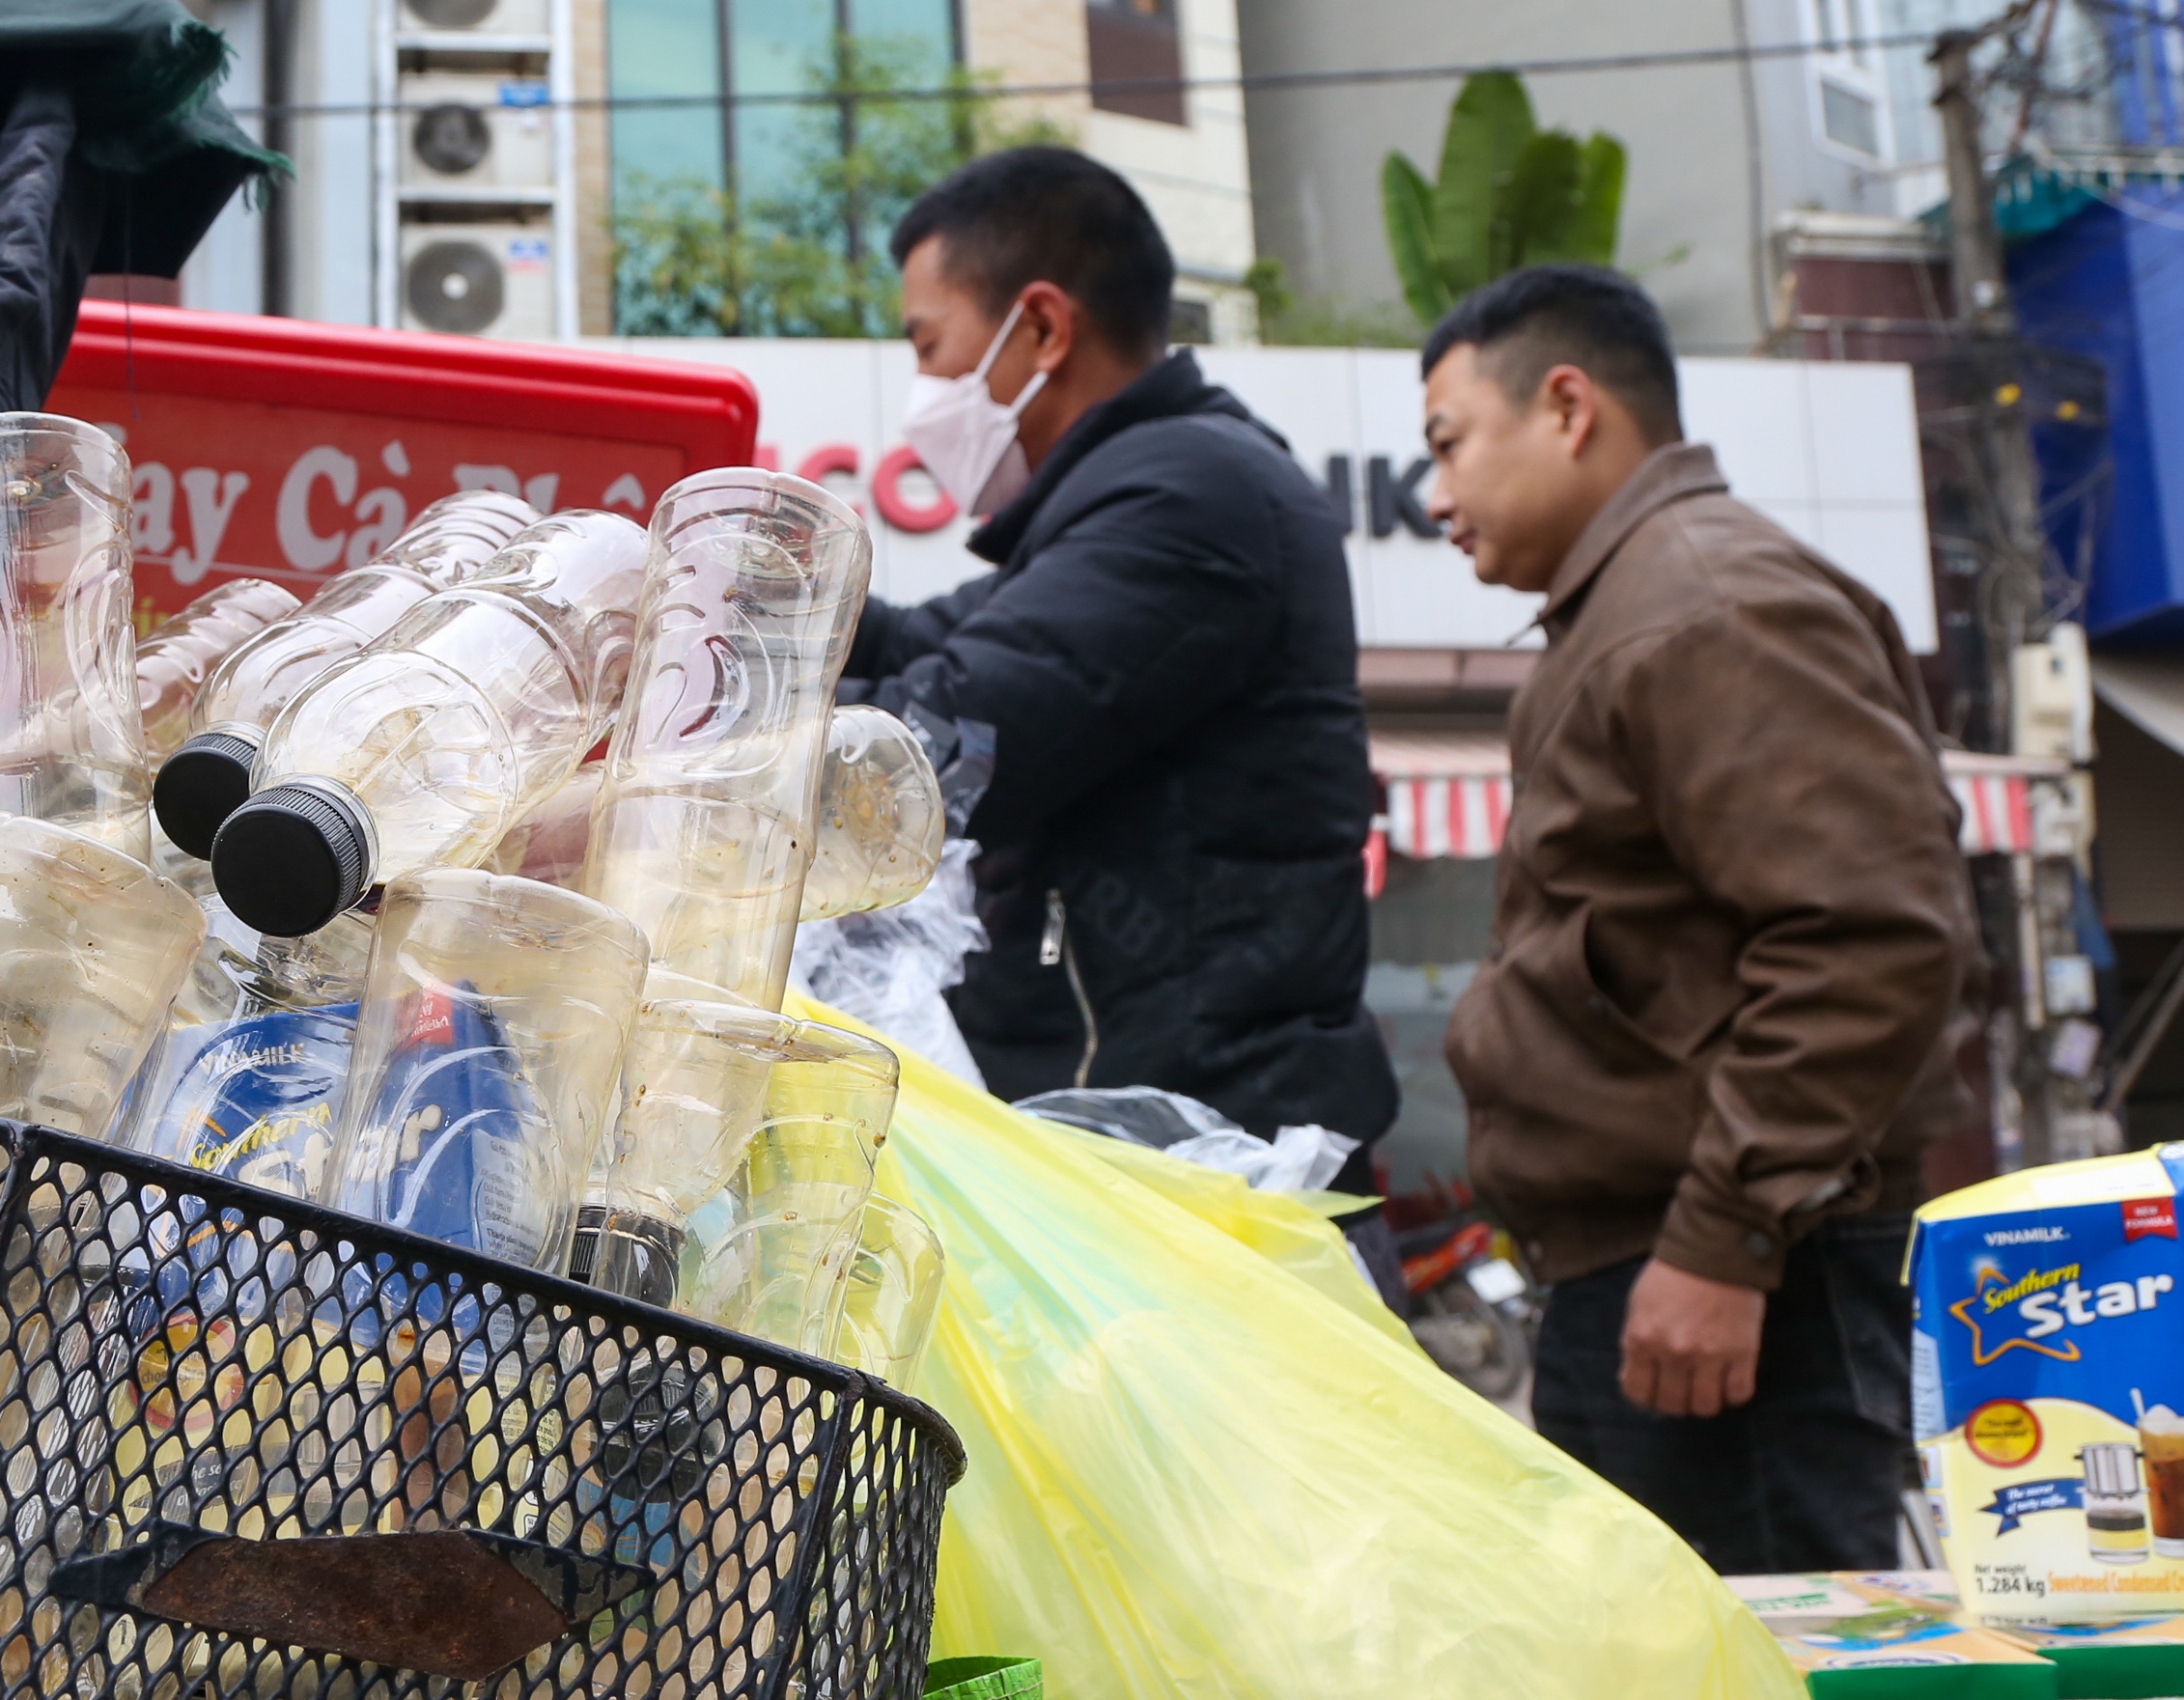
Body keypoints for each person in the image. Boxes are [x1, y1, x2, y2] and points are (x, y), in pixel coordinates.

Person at [1423, 265, 1977, 1575]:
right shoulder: (1631, 608)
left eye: (1447, 445)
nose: (1434, 498)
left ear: (1565, 406)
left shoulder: (1704, 606)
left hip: (1734, 1284)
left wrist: (1721, 1242)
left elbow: (1868, 936)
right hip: (1658, 1267)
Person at [839, 145, 1397, 1152]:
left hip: (1205, 1165)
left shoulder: (1188, 495)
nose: (921, 387)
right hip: (1148, 1139)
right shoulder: (1125, 497)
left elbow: (955, 737)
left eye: (928, 345)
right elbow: (930, 640)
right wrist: (743, 597)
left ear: (1043, 325)